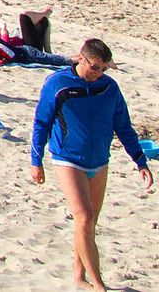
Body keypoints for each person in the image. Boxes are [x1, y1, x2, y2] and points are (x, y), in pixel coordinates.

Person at [29, 38, 152, 288]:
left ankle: (79, 277)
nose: (100, 73)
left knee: (88, 223)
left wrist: (140, 161)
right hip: (67, 160)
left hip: (99, 162)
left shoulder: (109, 87)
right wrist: (36, 161)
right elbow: (41, 122)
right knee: (84, 218)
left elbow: (124, 127)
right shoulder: (58, 84)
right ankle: (99, 285)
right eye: (95, 67)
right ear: (81, 59)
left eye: (105, 68)